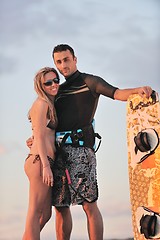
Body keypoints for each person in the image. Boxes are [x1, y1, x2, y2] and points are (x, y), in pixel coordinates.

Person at [26, 44, 152, 240]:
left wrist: (138, 90)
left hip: (81, 152)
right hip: (58, 153)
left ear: (75, 59)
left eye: (66, 60)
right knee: (60, 207)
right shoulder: (56, 90)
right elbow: (46, 123)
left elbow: (117, 93)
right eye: (58, 62)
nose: (63, 65)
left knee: (89, 204)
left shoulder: (90, 81)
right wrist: (35, 138)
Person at [23, 67, 60, 240]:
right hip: (40, 162)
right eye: (48, 82)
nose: (53, 85)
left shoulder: (49, 104)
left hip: (44, 161)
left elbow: (39, 133)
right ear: (41, 85)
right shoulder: (41, 103)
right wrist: (45, 166)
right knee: (35, 211)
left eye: (56, 80)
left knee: (45, 215)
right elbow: (38, 134)